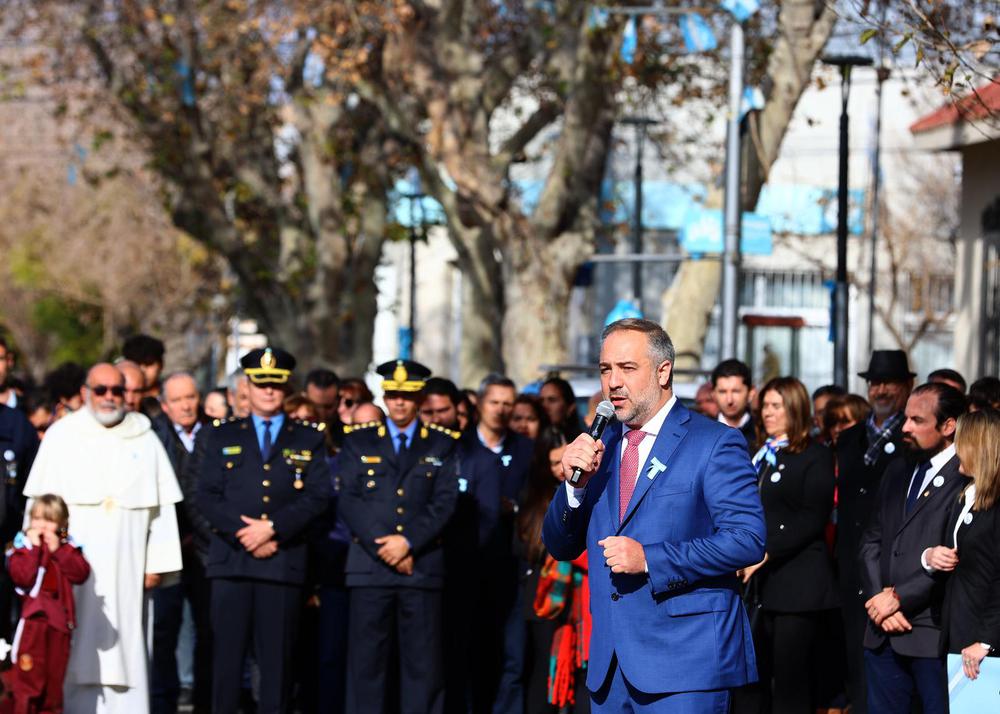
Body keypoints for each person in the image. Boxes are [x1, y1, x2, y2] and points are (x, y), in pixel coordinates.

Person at [543, 318, 766, 712]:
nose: (612, 382)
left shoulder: (714, 442)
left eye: (627, 368)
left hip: (686, 665)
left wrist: (650, 558)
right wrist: (574, 488)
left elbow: (747, 538)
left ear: (663, 371)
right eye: (605, 369)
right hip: (610, 669)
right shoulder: (601, 445)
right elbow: (559, 545)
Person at [23, 362, 184, 713]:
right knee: (72, 646)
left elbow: (162, 512)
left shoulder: (144, 435)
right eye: (101, 390)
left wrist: (156, 564)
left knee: (130, 649)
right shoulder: (62, 436)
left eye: (116, 390)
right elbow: (39, 507)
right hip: (73, 572)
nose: (109, 397)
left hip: (130, 568)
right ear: (85, 392)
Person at [196, 347, 332, 714]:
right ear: (248, 386)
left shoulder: (308, 437)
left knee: (277, 667)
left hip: (281, 561)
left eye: (275, 384)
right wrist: (246, 535)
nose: (268, 391)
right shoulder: (221, 436)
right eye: (261, 383)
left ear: (286, 387)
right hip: (233, 561)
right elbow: (206, 495)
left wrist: (273, 529)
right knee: (226, 665)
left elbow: (320, 494)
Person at [337, 359, 459, 714]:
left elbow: (445, 500)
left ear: (419, 397)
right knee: (366, 668)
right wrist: (385, 545)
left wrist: (408, 543)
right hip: (369, 567)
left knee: (423, 669)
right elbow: (349, 498)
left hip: (420, 568)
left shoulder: (441, 444)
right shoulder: (358, 441)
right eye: (392, 394)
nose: (399, 402)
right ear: (384, 397)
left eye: (407, 395)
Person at [857, 382, 967, 714]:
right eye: (905, 418)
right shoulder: (899, 469)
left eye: (917, 420)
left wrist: (900, 598)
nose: (904, 427)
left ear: (948, 426)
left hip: (931, 633)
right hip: (882, 632)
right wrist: (880, 601)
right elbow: (871, 541)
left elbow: (955, 554)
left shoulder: (965, 476)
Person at [734, 377, 838, 714]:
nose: (767, 413)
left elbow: (813, 515)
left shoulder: (815, 455)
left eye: (776, 406)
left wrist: (765, 550)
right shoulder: (759, 455)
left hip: (797, 584)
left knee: (791, 682)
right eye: (764, 405)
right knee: (752, 679)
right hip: (758, 586)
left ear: (795, 408)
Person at [445, 375, 534, 713]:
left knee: (510, 655)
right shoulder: (458, 448)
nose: (501, 409)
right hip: (466, 566)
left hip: (510, 565)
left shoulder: (526, 449)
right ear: (480, 404)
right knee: (468, 651)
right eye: (494, 402)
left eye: (507, 403)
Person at [834, 349, 915, 714]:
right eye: (875, 383)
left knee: (889, 665)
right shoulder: (849, 438)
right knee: (853, 655)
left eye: (889, 383)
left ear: (907, 386)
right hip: (850, 563)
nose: (881, 390)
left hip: (889, 566)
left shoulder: (911, 435)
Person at [515, 426, 590, 713]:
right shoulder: (536, 499)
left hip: (582, 601)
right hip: (547, 599)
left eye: (567, 461)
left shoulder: (585, 492)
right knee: (542, 673)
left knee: (582, 674)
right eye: (555, 463)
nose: (563, 470)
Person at [150, 373, 211, 714]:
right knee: (165, 630)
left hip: (203, 548)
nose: (186, 405)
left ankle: (204, 698)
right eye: (178, 400)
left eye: (191, 397)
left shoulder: (215, 432)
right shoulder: (153, 437)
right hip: (167, 547)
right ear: (164, 405)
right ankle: (164, 700)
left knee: (207, 628)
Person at [6, 494, 91, 714]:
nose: (43, 526)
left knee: (53, 688)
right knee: (28, 685)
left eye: (50, 520)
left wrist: (59, 550)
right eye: (37, 519)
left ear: (62, 524)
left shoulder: (67, 544)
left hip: (59, 626)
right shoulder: (22, 546)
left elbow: (80, 573)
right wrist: (35, 549)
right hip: (34, 624)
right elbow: (21, 577)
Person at [932, 409, 1000, 681]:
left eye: (961, 442)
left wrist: (985, 640)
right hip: (959, 634)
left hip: (983, 649)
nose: (955, 449)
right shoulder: (965, 495)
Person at [711, 359, 758, 451]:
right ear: (713, 394)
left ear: (751, 393)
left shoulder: (763, 434)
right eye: (722, 392)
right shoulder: (702, 433)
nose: (729, 400)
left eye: (736, 391)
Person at [121, 333, 165, 399]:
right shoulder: (117, 396)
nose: (142, 370)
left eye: (148, 363)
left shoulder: (172, 394)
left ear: (161, 365)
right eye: (136, 364)